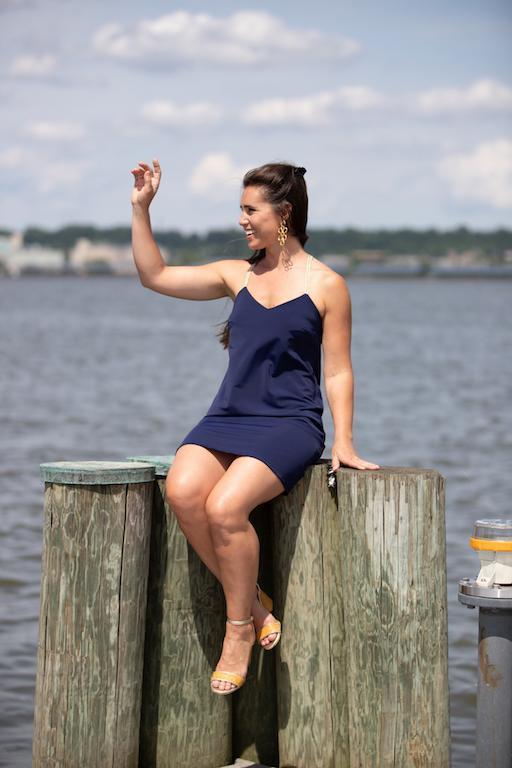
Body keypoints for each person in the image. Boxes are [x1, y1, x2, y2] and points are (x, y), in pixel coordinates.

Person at [130, 158, 380, 695]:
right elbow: (154, 276)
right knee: (182, 489)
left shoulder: (328, 285)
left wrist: (343, 439)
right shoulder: (236, 275)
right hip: (229, 416)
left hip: (290, 423)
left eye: (251, 209)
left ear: (283, 213)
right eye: (240, 209)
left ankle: (238, 630)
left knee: (224, 507)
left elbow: (337, 369)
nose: (242, 219)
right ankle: (257, 604)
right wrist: (141, 209)